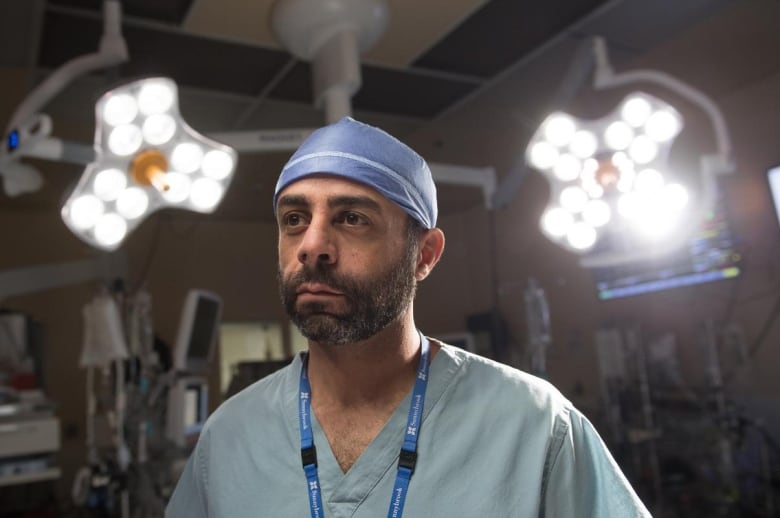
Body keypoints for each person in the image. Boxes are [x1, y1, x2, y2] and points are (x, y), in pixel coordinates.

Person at [166, 117, 651, 517]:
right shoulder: (229, 439)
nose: (312, 245)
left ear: (424, 254)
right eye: (295, 220)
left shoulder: (534, 427)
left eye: (352, 218)